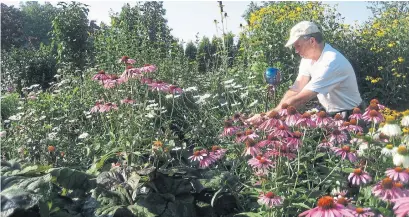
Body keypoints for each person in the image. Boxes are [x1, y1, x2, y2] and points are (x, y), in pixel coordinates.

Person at [267, 21, 363, 119]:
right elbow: (296, 89)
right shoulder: (307, 60)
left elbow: (301, 99)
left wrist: (268, 117)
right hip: (331, 113)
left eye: (298, 46)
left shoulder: (331, 62)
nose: (296, 51)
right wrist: (275, 110)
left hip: (351, 116)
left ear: (312, 41)